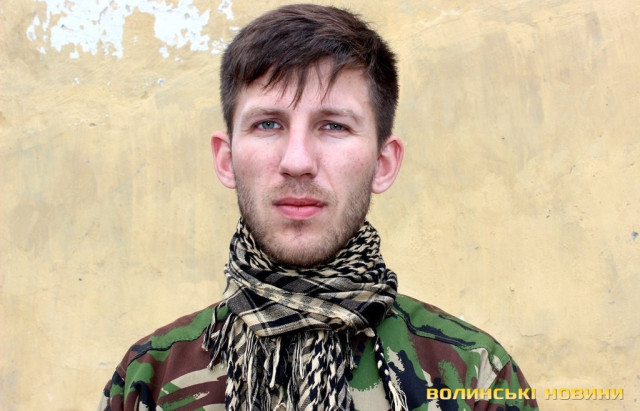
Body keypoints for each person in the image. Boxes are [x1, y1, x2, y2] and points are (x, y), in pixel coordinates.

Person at [99, 4, 538, 411]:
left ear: (383, 164)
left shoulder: (477, 376)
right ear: (226, 159)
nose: (297, 162)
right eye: (267, 124)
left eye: (333, 126)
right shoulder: (148, 378)